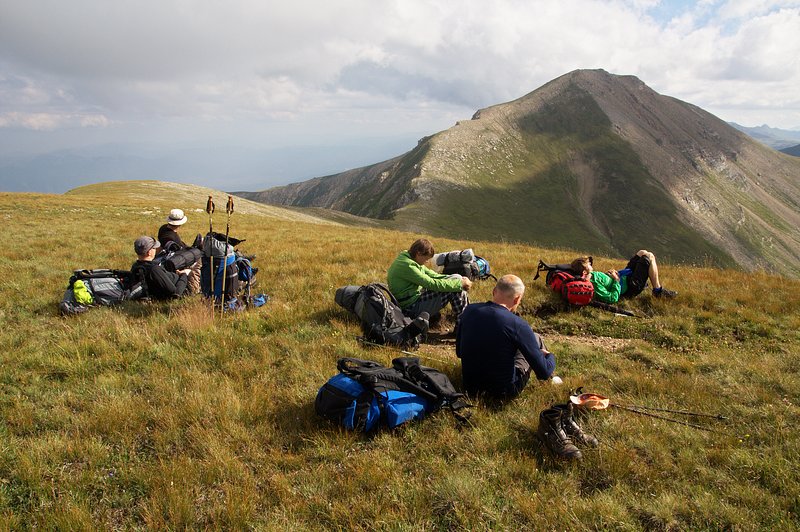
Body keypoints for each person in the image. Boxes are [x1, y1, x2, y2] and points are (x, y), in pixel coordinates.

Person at [456, 274, 559, 398]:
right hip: (503, 392)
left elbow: (459, 352)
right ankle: (553, 378)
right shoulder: (517, 324)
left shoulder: (469, 310)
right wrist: (549, 355)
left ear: (494, 291)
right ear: (517, 299)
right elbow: (544, 372)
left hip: (470, 387)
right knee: (535, 337)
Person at [387, 238, 471, 325]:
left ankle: (464, 322)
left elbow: (433, 275)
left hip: (414, 299)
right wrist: (460, 284)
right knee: (455, 289)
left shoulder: (409, 258)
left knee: (456, 278)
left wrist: (459, 279)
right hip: (409, 308)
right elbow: (430, 284)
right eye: (426, 258)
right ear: (419, 253)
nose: (427, 262)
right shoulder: (408, 266)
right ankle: (463, 325)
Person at [571, 250, 677, 304]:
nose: (591, 265)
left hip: (624, 277)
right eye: (589, 265)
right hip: (631, 286)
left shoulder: (592, 275)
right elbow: (612, 298)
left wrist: (610, 275)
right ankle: (657, 291)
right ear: (585, 272)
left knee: (642, 252)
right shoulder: (593, 284)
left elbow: (605, 282)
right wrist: (616, 280)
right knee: (649, 257)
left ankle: (653, 286)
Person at [131, 236, 191, 300]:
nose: (156, 250)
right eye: (154, 248)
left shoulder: (135, 266)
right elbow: (173, 292)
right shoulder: (154, 269)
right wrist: (184, 275)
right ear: (149, 252)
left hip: (171, 280)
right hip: (183, 285)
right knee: (196, 266)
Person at [157, 208, 201, 294]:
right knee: (199, 261)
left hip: (165, 257)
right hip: (174, 260)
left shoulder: (163, 228)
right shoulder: (171, 237)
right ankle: (194, 286)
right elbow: (179, 252)